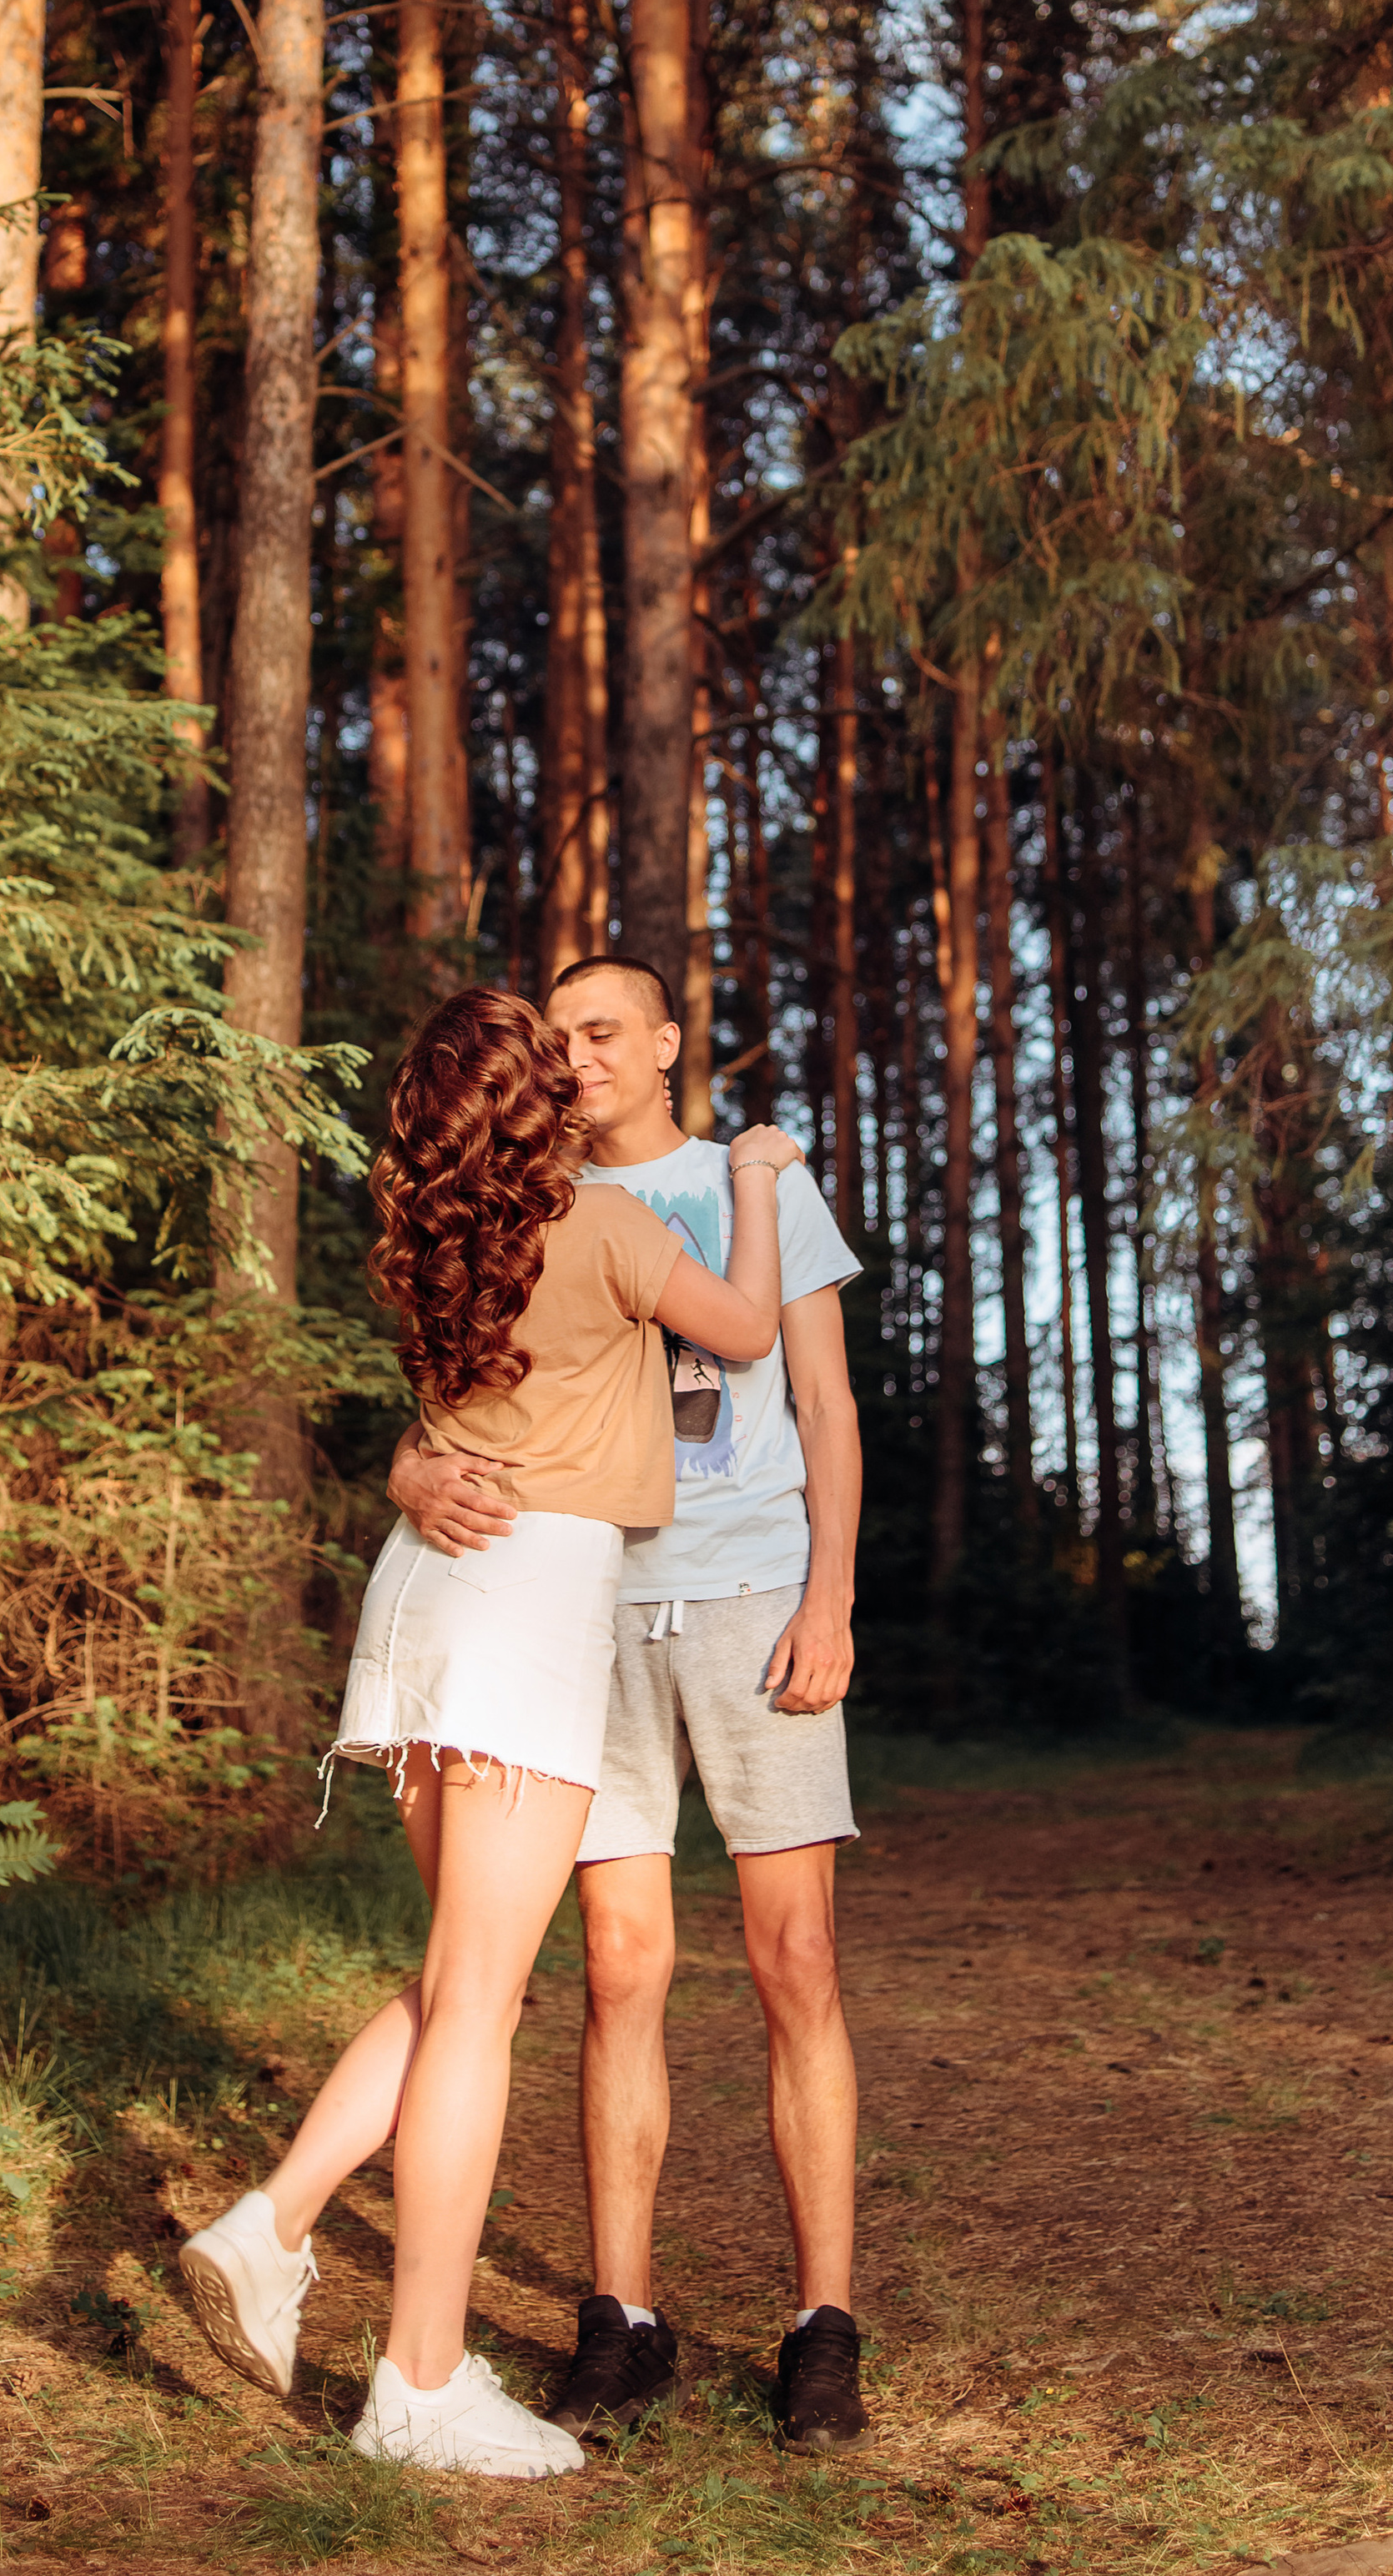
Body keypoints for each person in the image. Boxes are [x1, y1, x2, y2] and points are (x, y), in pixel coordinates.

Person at [179, 984, 806, 2479]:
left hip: (421, 1600)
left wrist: (403, 1473)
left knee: (456, 1976)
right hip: (528, 1607)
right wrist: (757, 1180)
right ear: (542, 1102)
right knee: (479, 2004)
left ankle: (270, 2224)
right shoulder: (601, 1227)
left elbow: (447, 1433)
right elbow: (752, 1328)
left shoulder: (435, 1246)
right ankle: (419, 2379)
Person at [388, 956, 868, 2457]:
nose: (580, 1053)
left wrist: (831, 1597)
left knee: (794, 1956)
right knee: (617, 1964)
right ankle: (624, 2319)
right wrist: (407, 1471)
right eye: (561, 1034)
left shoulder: (763, 1185)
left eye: (607, 1030)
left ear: (665, 1044)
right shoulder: (522, 1206)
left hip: (751, 1603)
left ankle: (821, 2327)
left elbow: (828, 1403)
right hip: (576, 1607)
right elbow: (451, 1405)